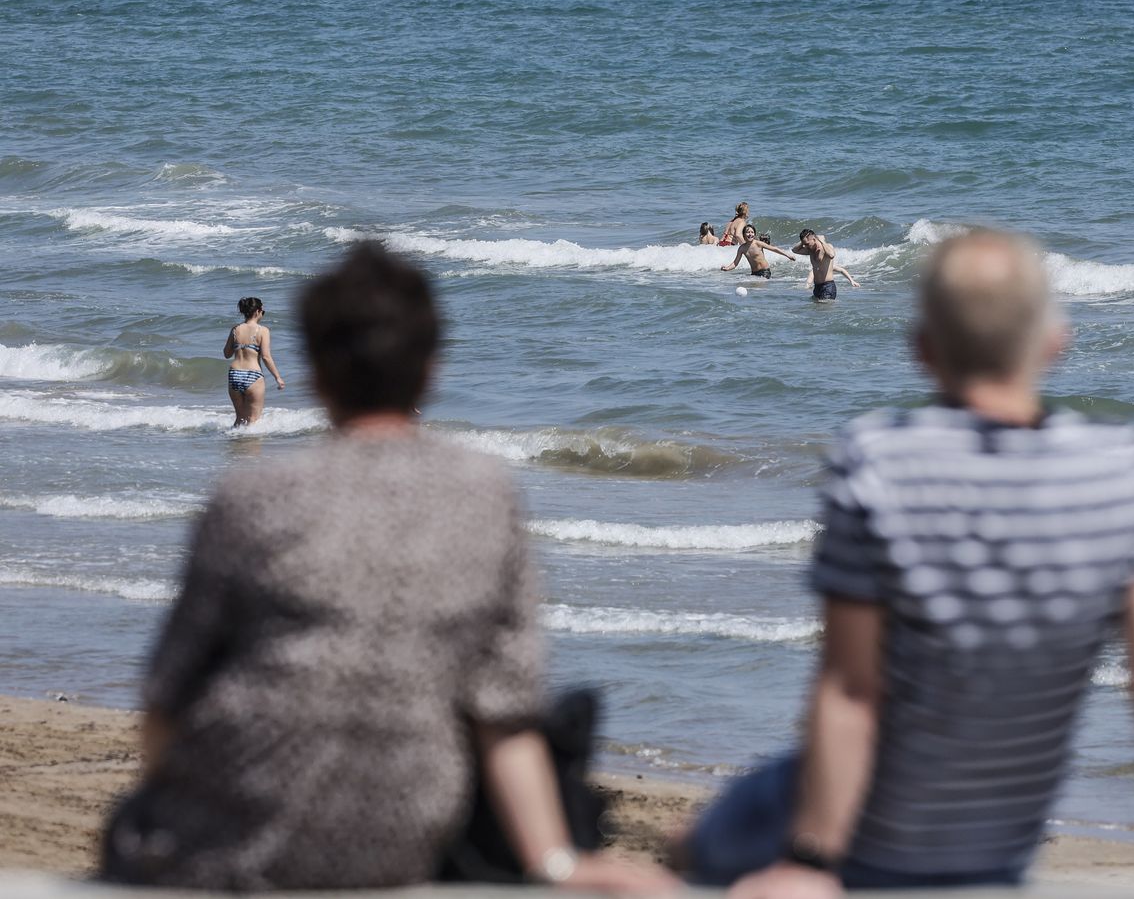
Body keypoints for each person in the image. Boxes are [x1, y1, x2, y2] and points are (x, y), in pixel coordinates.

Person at [679, 229, 1134, 899]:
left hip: (868, 824)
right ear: (1055, 341)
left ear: (921, 350)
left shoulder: (877, 460)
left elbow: (850, 689)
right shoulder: (1126, 468)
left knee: (702, 845)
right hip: (1000, 834)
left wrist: (810, 863)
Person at [101, 242, 672, 895]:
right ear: (430, 371)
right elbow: (507, 713)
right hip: (400, 849)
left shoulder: (251, 498)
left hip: (238, 852)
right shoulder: (484, 495)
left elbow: (166, 699)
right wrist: (556, 863)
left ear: (317, 373)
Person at [222, 296, 285, 427]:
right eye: (263, 311)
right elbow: (266, 357)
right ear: (257, 311)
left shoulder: (235, 329)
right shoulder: (263, 330)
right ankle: (250, 447)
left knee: (239, 419)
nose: (262, 314)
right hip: (253, 375)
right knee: (253, 420)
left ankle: (236, 445)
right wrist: (277, 377)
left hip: (234, 374)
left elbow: (227, 354)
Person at [721, 225, 796, 278]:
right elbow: (735, 263)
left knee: (759, 288)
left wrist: (788, 255)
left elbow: (774, 249)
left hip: (765, 271)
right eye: (748, 232)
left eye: (752, 232)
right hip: (754, 273)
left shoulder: (758, 244)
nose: (750, 234)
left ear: (754, 234)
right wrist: (727, 268)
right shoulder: (742, 248)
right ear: (743, 235)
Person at [792, 229, 839, 301]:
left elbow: (831, 255)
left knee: (825, 310)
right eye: (804, 244)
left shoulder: (825, 247)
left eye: (807, 244)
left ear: (814, 239)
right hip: (817, 287)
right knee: (816, 311)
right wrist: (803, 242)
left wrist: (822, 241)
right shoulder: (810, 250)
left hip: (827, 286)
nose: (805, 246)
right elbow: (794, 250)